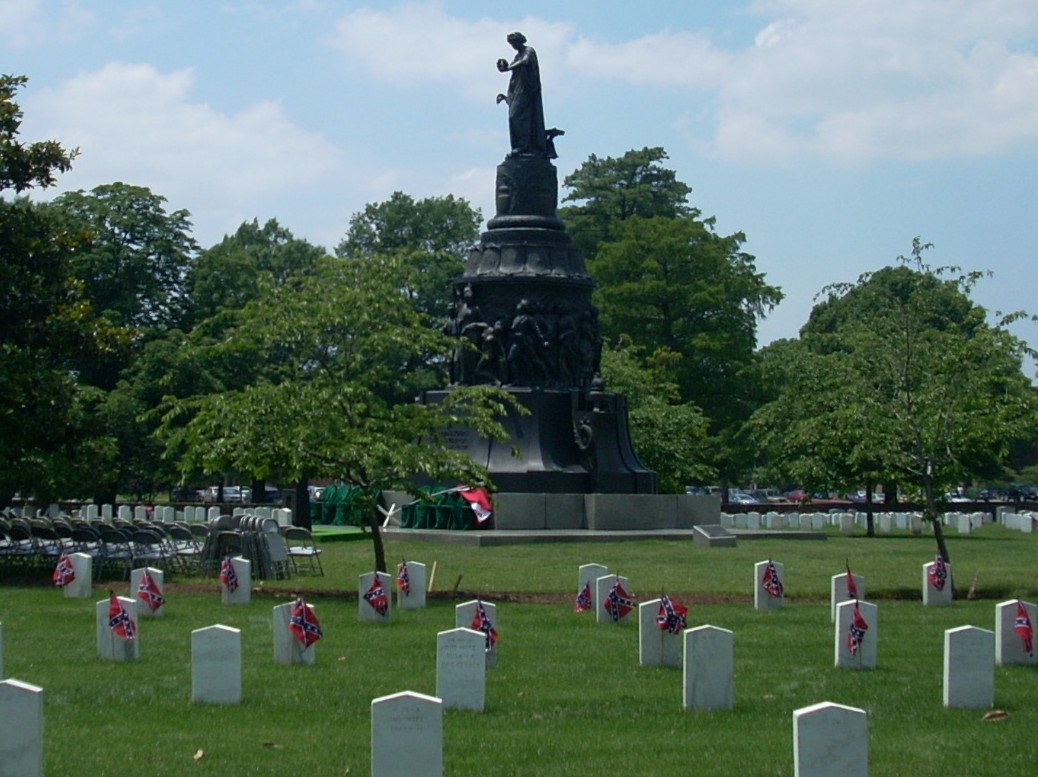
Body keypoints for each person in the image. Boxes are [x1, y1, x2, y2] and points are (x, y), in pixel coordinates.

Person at [496, 32, 547, 158]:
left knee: (518, 117)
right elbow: (514, 77)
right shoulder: (516, 56)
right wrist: (506, 97)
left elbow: (525, 62)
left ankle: (524, 147)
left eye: (514, 43)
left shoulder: (529, 51)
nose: (513, 46)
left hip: (526, 91)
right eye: (511, 44)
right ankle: (518, 147)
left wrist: (508, 68)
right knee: (513, 118)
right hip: (517, 91)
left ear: (520, 41)